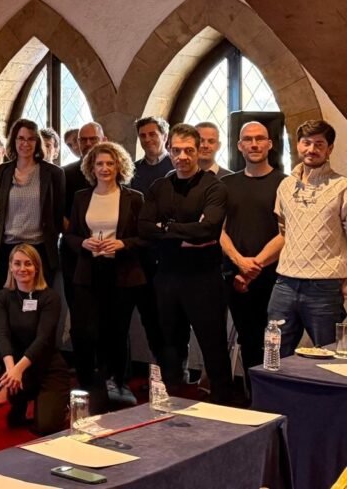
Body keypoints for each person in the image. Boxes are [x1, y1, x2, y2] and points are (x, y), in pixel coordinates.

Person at [139, 123, 234, 404]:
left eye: (189, 150)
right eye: (177, 150)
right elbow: (144, 227)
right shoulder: (159, 187)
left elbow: (208, 230)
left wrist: (166, 228)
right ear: (169, 150)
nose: (182, 156)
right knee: (169, 343)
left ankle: (223, 403)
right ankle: (171, 399)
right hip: (167, 276)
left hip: (203, 278)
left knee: (213, 344)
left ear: (199, 150)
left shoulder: (214, 187)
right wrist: (184, 232)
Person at [64, 142, 145, 411]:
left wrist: (122, 244)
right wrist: (83, 243)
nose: (105, 168)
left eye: (110, 163)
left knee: (117, 330)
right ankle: (88, 381)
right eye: (99, 163)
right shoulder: (81, 197)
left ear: (119, 166)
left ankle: (118, 382)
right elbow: (70, 236)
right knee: (85, 330)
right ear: (91, 167)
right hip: (88, 271)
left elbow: (145, 238)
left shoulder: (134, 198)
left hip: (122, 272)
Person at [271, 119, 347, 355]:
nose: (311, 149)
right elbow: (283, 230)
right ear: (298, 145)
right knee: (274, 353)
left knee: (330, 356)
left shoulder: (342, 186)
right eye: (306, 143)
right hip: (285, 283)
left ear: (329, 149)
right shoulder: (285, 186)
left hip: (324, 286)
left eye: (319, 144)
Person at [220, 122, 283, 388]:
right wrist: (240, 263)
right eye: (248, 139)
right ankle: (253, 397)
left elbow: (287, 232)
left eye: (260, 139)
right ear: (239, 146)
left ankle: (276, 398)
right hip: (235, 276)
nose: (254, 144)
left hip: (276, 278)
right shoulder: (226, 184)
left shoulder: (285, 184)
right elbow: (219, 230)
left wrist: (254, 267)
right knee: (248, 340)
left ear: (270, 143)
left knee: (276, 342)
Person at [0, 244, 68, 434]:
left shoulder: (50, 297)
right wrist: (11, 371)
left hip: (48, 367)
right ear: (10, 267)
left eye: (28, 263)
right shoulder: (3, 297)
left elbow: (43, 339)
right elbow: (3, 335)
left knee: (46, 427)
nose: (22, 268)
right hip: (20, 368)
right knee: (14, 421)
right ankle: (20, 401)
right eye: (17, 263)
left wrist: (17, 370)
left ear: (37, 267)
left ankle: (59, 404)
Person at [0, 119, 65, 288]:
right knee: (10, 299)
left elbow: (58, 214)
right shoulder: (4, 170)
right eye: (21, 138)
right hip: (8, 247)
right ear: (14, 141)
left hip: (40, 249)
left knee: (39, 299)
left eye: (31, 139)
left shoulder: (53, 173)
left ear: (37, 142)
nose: (25, 143)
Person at [128, 116, 172, 367]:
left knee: (171, 318)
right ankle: (159, 371)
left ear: (164, 136)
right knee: (150, 318)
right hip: (141, 256)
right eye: (143, 136)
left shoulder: (175, 166)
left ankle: (174, 372)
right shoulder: (133, 171)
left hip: (170, 254)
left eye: (153, 134)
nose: (148, 140)